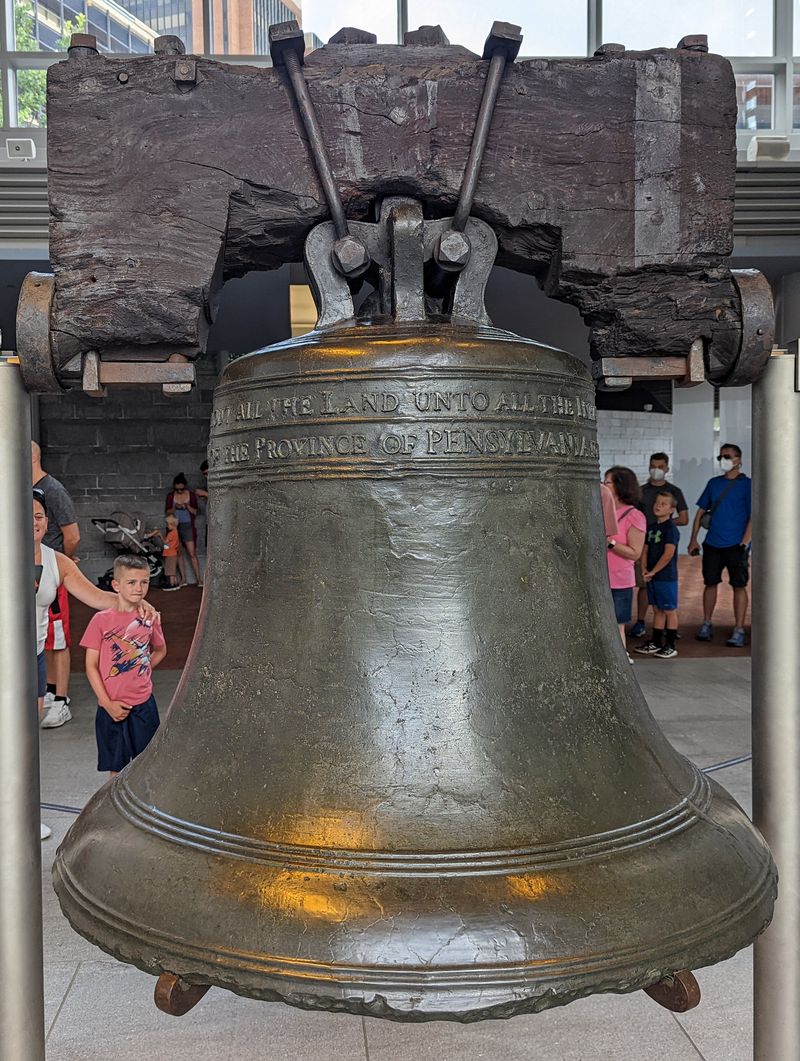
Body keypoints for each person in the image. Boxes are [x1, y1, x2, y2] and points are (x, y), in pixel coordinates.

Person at [34, 491, 158, 838]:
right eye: (25, 515)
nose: (33, 522)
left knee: (27, 739)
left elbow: (97, 597)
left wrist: (135, 603)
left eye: (39, 515)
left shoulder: (57, 561)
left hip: (33, 658)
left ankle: (22, 813)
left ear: (47, 521)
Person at [81, 555, 166, 777]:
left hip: (143, 705)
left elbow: (160, 650)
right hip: (110, 706)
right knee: (116, 770)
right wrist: (106, 703)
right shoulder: (100, 620)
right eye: (131, 582)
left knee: (145, 767)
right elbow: (91, 665)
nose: (139, 588)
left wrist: (142, 668)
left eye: (144, 582)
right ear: (116, 585)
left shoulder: (150, 619)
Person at [32, 440, 80, 729]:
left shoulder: (52, 490)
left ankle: (60, 700)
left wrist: (63, 564)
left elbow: (72, 535)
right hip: (32, 573)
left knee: (57, 636)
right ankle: (49, 691)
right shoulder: (25, 491)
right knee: (43, 638)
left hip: (51, 574)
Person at [688, 442, 752, 647]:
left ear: (738, 460)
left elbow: (753, 516)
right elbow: (700, 512)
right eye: (721, 457)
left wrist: (744, 543)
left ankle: (739, 628)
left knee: (739, 586)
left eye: (727, 456)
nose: (723, 460)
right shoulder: (713, 483)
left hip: (736, 546)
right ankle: (707, 623)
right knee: (710, 583)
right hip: (713, 543)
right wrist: (693, 538)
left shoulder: (748, 485)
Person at [630, 453, 689, 638]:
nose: (656, 470)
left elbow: (684, 518)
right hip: (644, 543)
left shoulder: (674, 491)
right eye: (653, 466)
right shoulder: (641, 491)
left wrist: (662, 526)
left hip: (661, 543)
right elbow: (633, 517)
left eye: (660, 467)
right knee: (644, 584)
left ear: (667, 468)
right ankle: (640, 622)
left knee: (665, 592)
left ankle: (669, 631)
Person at [603, 466, 647, 663]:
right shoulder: (602, 511)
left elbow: (635, 552)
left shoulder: (634, 516)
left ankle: (620, 659)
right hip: (600, 578)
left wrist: (610, 542)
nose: (604, 485)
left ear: (620, 486)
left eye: (608, 482)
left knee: (618, 623)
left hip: (619, 580)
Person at [635, 492, 680, 659]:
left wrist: (654, 570)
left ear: (672, 509)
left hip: (666, 577)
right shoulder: (652, 527)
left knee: (669, 609)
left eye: (663, 504)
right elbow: (645, 549)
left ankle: (670, 644)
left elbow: (668, 554)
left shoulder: (671, 529)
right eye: (657, 502)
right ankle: (656, 641)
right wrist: (644, 568)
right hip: (652, 575)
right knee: (657, 609)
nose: (658, 506)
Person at [165, 473, 202, 586]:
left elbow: (196, 512)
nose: (179, 492)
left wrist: (187, 506)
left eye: (181, 489)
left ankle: (199, 579)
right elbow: (167, 512)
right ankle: (183, 579)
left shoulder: (190, 495)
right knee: (178, 553)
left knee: (192, 553)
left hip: (187, 525)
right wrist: (175, 507)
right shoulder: (171, 496)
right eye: (177, 490)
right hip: (175, 527)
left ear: (185, 486)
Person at [148, 514, 181, 590]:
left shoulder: (171, 533)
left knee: (170, 570)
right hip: (173, 552)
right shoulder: (176, 532)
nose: (167, 526)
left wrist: (160, 536)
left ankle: (171, 584)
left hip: (170, 553)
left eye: (168, 524)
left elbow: (165, 543)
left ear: (172, 524)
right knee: (173, 569)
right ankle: (175, 583)